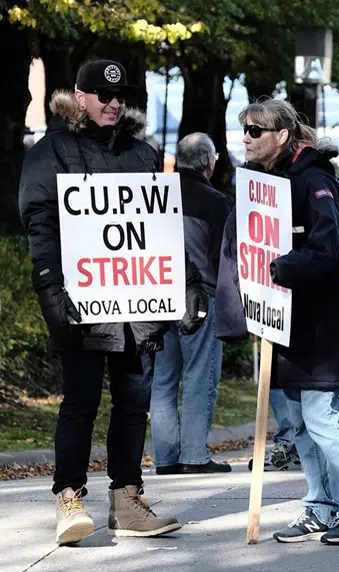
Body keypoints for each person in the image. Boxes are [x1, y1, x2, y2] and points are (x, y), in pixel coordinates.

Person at [18, 59, 207, 545]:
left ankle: (127, 496)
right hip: (82, 301)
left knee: (133, 403)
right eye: (102, 95)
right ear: (79, 97)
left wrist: (186, 284)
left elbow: (163, 229)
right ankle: (69, 498)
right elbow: (41, 227)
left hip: (137, 304)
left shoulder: (143, 154)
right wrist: (51, 290)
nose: (113, 102)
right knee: (80, 401)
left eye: (120, 95)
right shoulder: (52, 151)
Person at [215, 98, 339, 544]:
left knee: (321, 418)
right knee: (300, 424)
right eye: (243, 129)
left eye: (255, 130)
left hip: (320, 323)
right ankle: (320, 504)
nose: (246, 137)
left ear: (281, 136)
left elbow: (332, 247)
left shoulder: (315, 180)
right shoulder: (262, 182)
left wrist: (288, 266)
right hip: (282, 321)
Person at [150, 133, 232, 475]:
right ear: (209, 164)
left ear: (177, 161)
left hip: (156, 297)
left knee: (162, 378)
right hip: (201, 298)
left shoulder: (154, 194)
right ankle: (195, 455)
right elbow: (221, 258)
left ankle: (166, 458)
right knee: (200, 376)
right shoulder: (214, 201)